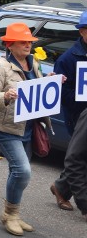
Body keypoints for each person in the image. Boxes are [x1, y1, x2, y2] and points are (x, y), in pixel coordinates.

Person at [0, 22, 56, 236]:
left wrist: (50, 82)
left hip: (27, 127)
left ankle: (13, 213)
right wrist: (5, 96)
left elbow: (36, 90)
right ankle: (10, 214)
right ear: (9, 44)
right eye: (23, 42)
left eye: (29, 42)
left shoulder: (33, 63)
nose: (27, 46)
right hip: (4, 128)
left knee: (19, 172)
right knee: (22, 170)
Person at [50, 11, 87, 216]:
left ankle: (61, 188)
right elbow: (60, 92)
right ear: (82, 32)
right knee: (79, 156)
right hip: (78, 115)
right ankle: (71, 194)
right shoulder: (67, 59)